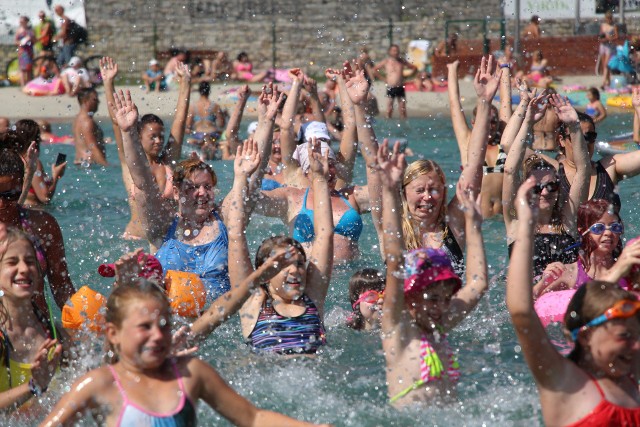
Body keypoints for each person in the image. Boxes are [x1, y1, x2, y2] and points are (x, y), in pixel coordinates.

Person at [41, 280, 332, 426]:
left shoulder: (190, 374)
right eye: (145, 327)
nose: (158, 335)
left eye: (164, 325)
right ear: (113, 334)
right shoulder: (99, 384)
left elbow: (253, 418)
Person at [111, 89, 277, 301]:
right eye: (192, 187)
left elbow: (252, 178)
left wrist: (267, 121)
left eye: (207, 187)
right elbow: (143, 182)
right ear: (177, 191)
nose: (202, 193)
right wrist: (128, 132)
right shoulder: (162, 226)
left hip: (218, 321)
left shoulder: (225, 219)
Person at [506, 178, 640, 427]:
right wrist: (525, 225)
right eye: (625, 336)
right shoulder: (565, 381)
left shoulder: (628, 376)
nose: (635, 346)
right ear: (586, 335)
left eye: (615, 228)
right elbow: (522, 311)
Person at [377, 142, 488, 405]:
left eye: (443, 297)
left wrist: (474, 226)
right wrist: (391, 191)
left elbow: (478, 283)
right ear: (411, 295)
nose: (439, 305)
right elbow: (394, 261)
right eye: (431, 297)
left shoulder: (440, 322)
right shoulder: (397, 327)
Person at [399, 56, 499, 274]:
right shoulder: (395, 230)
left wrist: (484, 102)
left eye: (434, 189)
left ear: (444, 192)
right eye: (420, 190)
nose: (427, 197)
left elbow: (474, 168)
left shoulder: (452, 225)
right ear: (404, 192)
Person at [238, 140, 333, 355]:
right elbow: (236, 234)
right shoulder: (252, 304)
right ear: (264, 273)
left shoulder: (312, 298)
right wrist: (241, 178)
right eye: (282, 265)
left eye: (300, 264)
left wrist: (319, 179)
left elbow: (325, 235)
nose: (295, 270)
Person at [101, 57, 190, 242]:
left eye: (161, 137)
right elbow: (118, 124)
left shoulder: (167, 162)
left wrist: (186, 84)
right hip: (135, 240)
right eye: (152, 137)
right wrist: (108, 82)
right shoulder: (130, 163)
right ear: (139, 139)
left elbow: (179, 122)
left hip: (167, 241)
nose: (158, 141)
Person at [502, 93, 590, 279]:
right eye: (536, 187)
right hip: (529, 303)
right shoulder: (517, 222)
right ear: (525, 190)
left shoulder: (567, 221)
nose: (544, 192)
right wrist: (527, 123)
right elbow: (510, 170)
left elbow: (583, 170)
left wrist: (574, 126)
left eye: (551, 186)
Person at [0, 149, 75, 316]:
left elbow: (61, 285)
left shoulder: (42, 225)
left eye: (10, 195)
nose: (2, 204)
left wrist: (83, 323)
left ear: (21, 186)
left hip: (41, 330)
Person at [0, 225, 65, 411]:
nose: (23, 268)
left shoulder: (55, 334)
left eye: (29, 261)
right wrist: (33, 385)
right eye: (12, 262)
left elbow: (99, 372)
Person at [447, 58, 511, 218]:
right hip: (479, 220)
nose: (491, 125)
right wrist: (452, 70)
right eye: (487, 121)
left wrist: (505, 69)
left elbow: (505, 103)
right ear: (474, 122)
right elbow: (454, 103)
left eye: (494, 122)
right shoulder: (467, 141)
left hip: (502, 222)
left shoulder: (504, 141)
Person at [13, 119, 66, 208]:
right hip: (32, 213)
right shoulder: (33, 163)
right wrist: (56, 176)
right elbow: (45, 197)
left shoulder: (12, 160)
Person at [373, 44, 417, 119]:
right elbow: (374, 70)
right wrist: (383, 79)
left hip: (400, 86)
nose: (395, 52)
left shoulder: (402, 61)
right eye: (393, 50)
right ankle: (388, 124)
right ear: (390, 52)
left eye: (397, 50)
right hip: (391, 87)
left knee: (402, 109)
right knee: (389, 108)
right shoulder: (386, 61)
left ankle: (404, 125)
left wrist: (407, 77)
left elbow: (414, 68)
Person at [72, 88, 107, 166]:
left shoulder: (77, 119)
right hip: (90, 165)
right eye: (95, 99)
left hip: (81, 163)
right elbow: (92, 147)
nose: (98, 102)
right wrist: (106, 166)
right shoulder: (87, 122)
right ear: (85, 101)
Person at [185, 82, 225, 147]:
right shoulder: (215, 106)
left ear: (199, 91)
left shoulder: (193, 107)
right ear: (209, 91)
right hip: (212, 134)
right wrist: (224, 115)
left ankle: (200, 143)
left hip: (198, 135)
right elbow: (221, 124)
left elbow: (188, 126)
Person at [598, 10, 619, 89]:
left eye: (610, 18)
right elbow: (600, 36)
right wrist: (602, 39)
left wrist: (609, 38)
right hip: (603, 45)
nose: (608, 20)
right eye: (607, 18)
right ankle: (608, 81)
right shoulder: (603, 25)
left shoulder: (614, 26)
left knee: (607, 64)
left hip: (610, 46)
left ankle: (603, 83)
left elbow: (617, 36)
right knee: (604, 65)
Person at [15, 16, 35, 88]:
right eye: (20, 22)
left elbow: (34, 41)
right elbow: (16, 41)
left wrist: (30, 39)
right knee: (22, 69)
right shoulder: (19, 31)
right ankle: (23, 86)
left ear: (26, 22)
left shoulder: (30, 31)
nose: (21, 23)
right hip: (22, 51)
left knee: (29, 69)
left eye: (22, 21)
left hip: (29, 51)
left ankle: (29, 85)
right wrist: (21, 42)